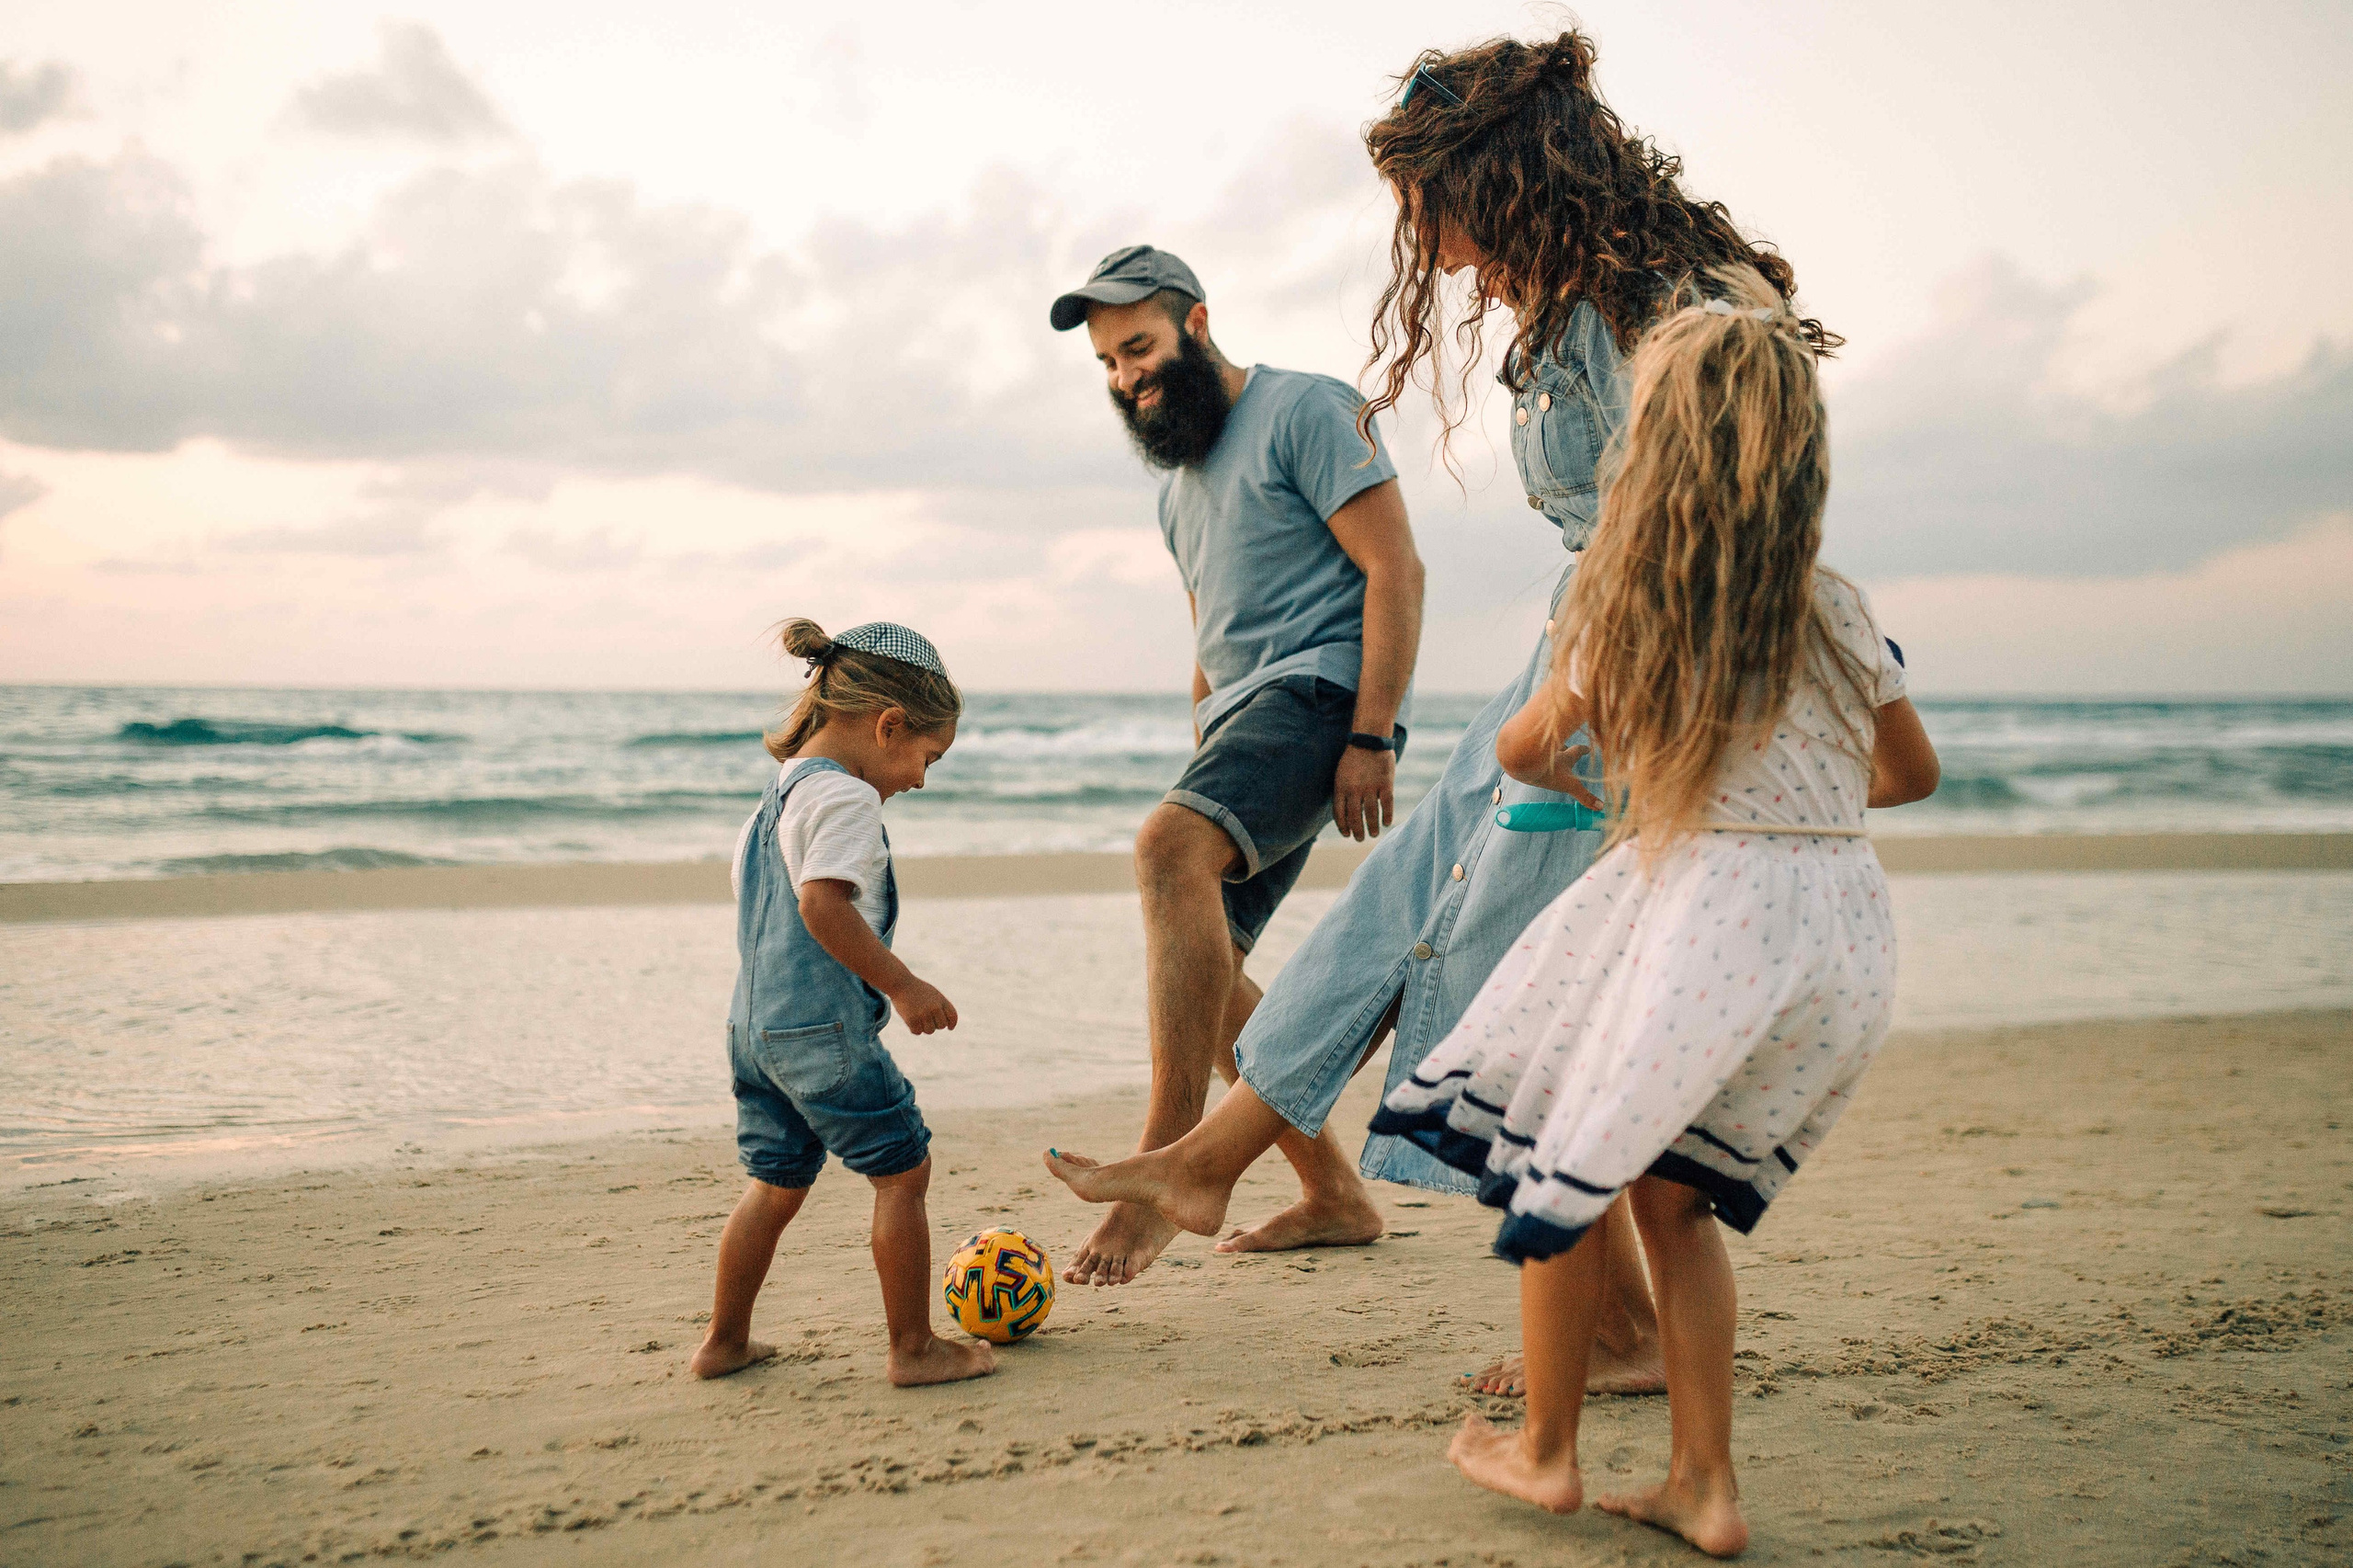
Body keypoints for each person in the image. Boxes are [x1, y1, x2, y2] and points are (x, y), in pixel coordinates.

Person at [1047, 29, 1831, 1392]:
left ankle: (1608, 1323)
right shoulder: (1580, 304)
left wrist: (1612, 708)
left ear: (1509, 174)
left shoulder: (1695, 301)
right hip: (1579, 647)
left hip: (1646, 672)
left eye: (1441, 216)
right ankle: (1215, 1162)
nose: (1449, 257)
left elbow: (1743, 511)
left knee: (1490, 963)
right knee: (1404, 904)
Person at [1370, 266, 1941, 1557]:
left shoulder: (1626, 591)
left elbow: (1521, 747)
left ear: (1649, 444)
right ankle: (1705, 1483)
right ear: (1801, 451)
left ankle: (1548, 1451)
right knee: (1673, 1198)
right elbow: (1909, 775)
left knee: (1557, 1148)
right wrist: (1787, 794)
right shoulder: (1837, 603)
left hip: (1705, 912)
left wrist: (1621, 775)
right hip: (1836, 933)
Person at [1044, 245, 1427, 1286]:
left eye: (1139, 347)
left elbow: (1394, 566)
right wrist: (1205, 752)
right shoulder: (1175, 495)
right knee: (1205, 977)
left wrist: (1370, 733)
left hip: (1321, 697)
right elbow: (1211, 647)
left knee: (1167, 848)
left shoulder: (1309, 408)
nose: (1127, 377)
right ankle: (1334, 1194)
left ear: (1195, 323)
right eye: (1109, 365)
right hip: (1246, 722)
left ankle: (1167, 1159)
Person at [690, 619, 996, 1388]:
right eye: (928, 758)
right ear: (888, 724)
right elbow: (822, 908)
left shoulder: (771, 807)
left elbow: (762, 916)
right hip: (822, 1036)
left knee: (776, 1181)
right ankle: (913, 1348)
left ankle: (723, 1342)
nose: (921, 780)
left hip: (752, 1032)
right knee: (904, 1172)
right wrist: (904, 984)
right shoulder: (848, 802)